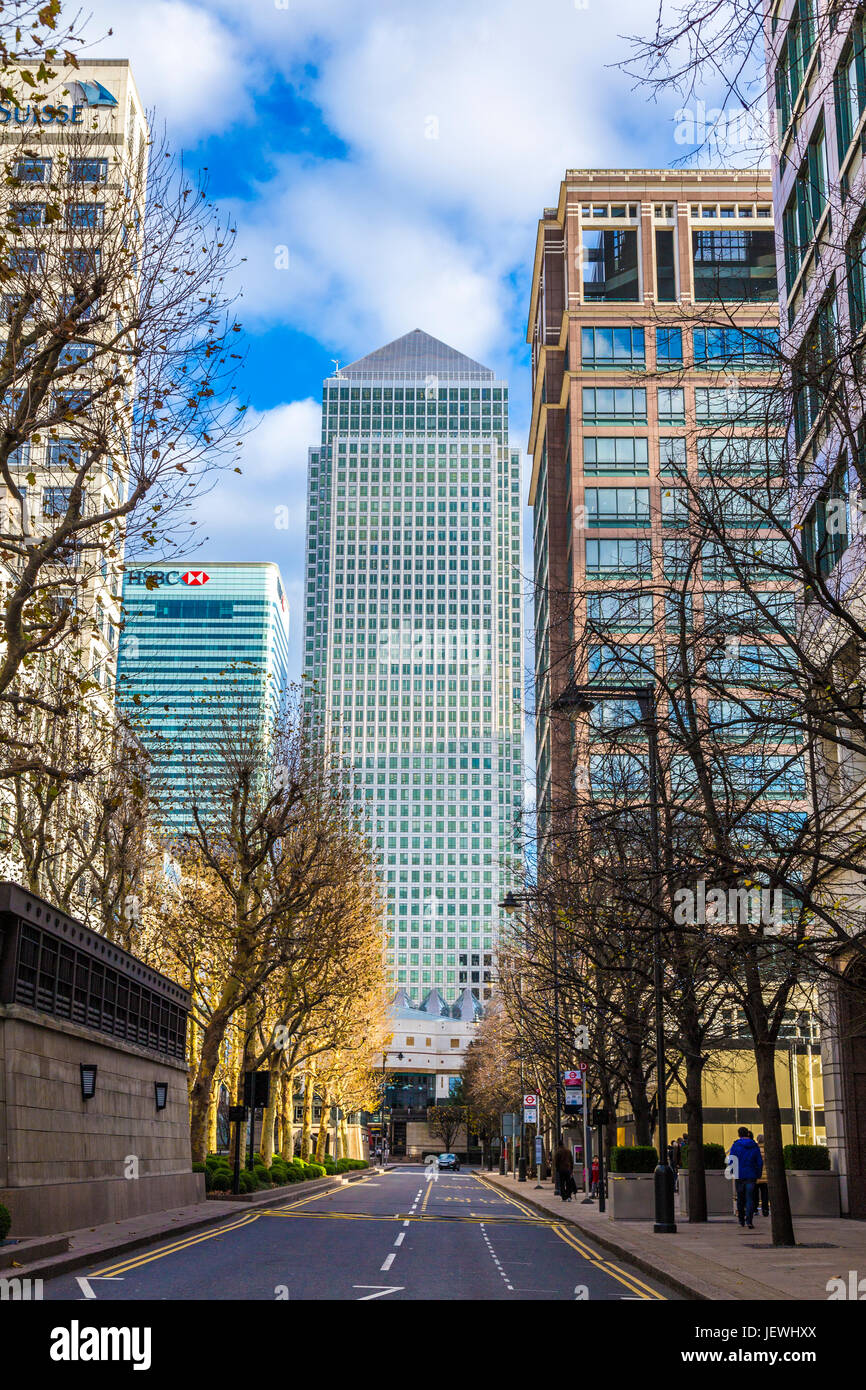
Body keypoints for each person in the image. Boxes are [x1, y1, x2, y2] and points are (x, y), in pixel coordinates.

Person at [727, 1126, 763, 1229]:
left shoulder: (735, 1145)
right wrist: (758, 1174)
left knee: (740, 1197)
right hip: (751, 1174)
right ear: (748, 1134)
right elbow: (759, 1162)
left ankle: (741, 1219)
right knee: (750, 1198)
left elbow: (732, 1160)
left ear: (739, 1134)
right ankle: (749, 1220)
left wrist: (732, 1171)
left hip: (739, 1174)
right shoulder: (754, 1146)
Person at [755, 1133, 769, 1217]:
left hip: (757, 1175)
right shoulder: (767, 1149)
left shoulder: (755, 1149)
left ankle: (755, 1209)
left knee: (755, 1194)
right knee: (765, 1194)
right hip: (766, 1176)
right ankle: (765, 1210)